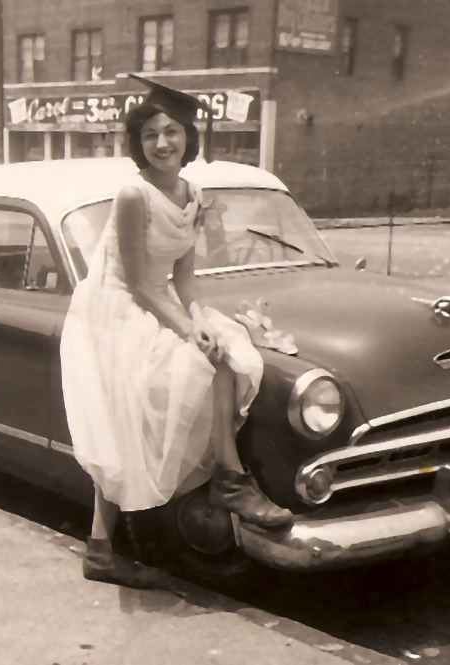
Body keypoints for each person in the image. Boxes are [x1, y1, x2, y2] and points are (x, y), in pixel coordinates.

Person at [60, 75, 293, 589]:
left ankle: (105, 546)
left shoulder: (194, 193)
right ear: (137, 144)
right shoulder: (131, 194)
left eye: (171, 132)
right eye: (150, 136)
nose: (162, 143)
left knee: (227, 353)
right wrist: (188, 330)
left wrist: (198, 322)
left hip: (159, 301)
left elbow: (184, 278)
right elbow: (139, 281)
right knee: (127, 422)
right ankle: (230, 483)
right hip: (113, 307)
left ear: (189, 135)